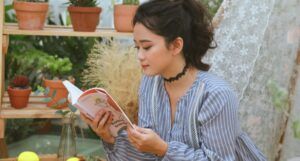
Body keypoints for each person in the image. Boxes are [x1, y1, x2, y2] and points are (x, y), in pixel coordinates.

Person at [80, 0, 267, 160]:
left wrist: (163, 148)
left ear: (176, 45)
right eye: (137, 47)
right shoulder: (149, 85)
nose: (139, 56)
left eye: (147, 47)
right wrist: (110, 138)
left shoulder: (217, 94)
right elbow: (149, 156)